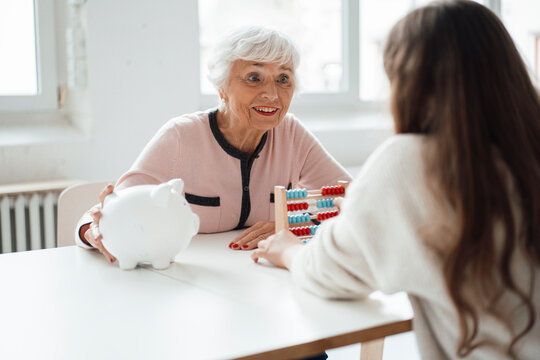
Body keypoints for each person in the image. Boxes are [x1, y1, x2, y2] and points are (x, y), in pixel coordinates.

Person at [251, 1, 540, 359]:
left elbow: (327, 272)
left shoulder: (409, 161)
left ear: (410, 84)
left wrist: (289, 251)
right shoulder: (527, 151)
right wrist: (362, 213)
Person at [75, 26, 351, 265]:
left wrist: (291, 222)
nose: (272, 94)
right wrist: (92, 228)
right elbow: (111, 209)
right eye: (254, 77)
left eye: (283, 79)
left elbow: (354, 202)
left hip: (266, 280)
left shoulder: (291, 133)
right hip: (189, 284)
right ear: (222, 87)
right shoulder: (180, 137)